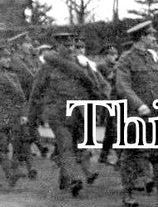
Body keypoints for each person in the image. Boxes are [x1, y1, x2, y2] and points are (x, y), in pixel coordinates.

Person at [26, 32, 107, 197]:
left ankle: (65, 178)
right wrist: (31, 117)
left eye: (71, 45)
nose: (69, 49)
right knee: (66, 145)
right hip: (57, 114)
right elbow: (36, 92)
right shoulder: (48, 67)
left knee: (76, 146)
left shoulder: (81, 65)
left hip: (78, 113)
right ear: (58, 47)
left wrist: (97, 109)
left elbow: (93, 88)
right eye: (66, 46)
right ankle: (74, 179)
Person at [112, 21, 158, 207]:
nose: (154, 38)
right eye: (151, 35)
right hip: (134, 114)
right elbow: (123, 86)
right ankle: (127, 193)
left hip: (154, 113)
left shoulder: (153, 57)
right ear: (142, 37)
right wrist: (139, 105)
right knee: (131, 152)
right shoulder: (126, 59)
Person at [0, 45, 28, 188]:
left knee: (11, 146)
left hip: (10, 116)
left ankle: (12, 172)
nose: (8, 60)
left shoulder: (12, 76)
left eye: (8, 57)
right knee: (3, 147)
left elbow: (22, 97)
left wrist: (23, 114)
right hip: (5, 116)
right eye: (4, 57)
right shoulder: (10, 76)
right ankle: (11, 173)